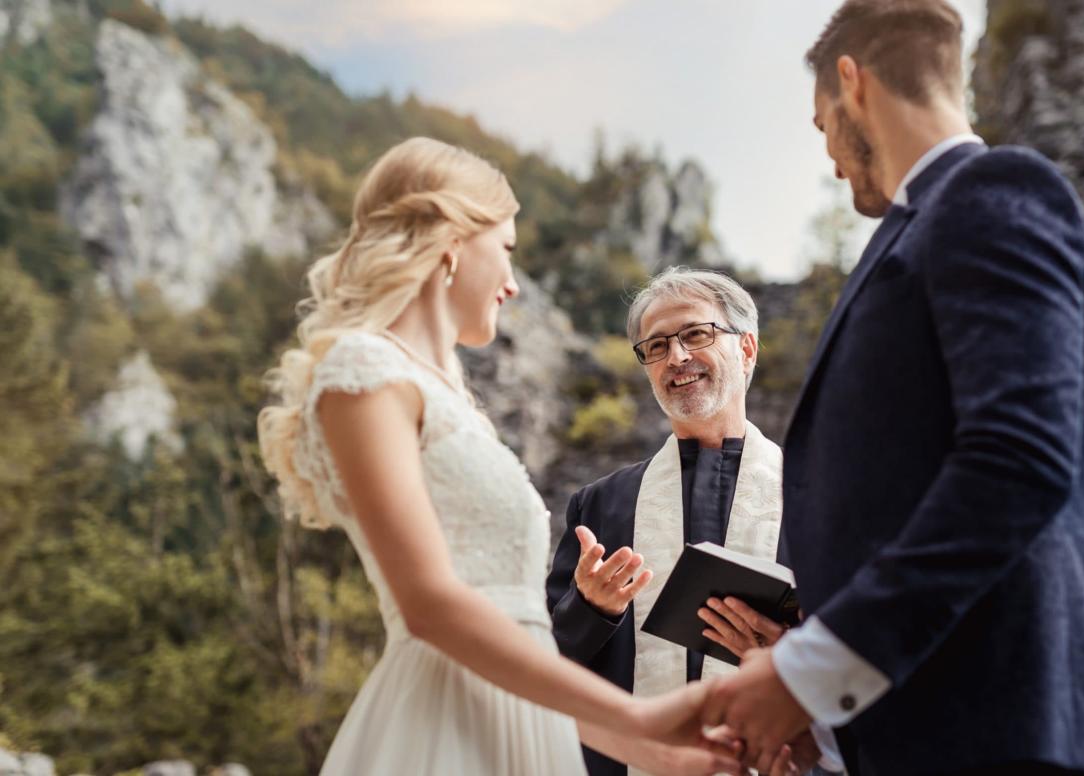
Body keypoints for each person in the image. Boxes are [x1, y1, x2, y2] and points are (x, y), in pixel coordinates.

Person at [701, 2, 1084, 775]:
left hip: (1017, 742)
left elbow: (1018, 461)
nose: (834, 159)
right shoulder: (912, 235)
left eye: (822, 127)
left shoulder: (992, 190)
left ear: (852, 82)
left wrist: (812, 671)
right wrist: (828, 717)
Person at [257, 137, 741, 775]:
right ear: (451, 240)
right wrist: (637, 717)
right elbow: (430, 607)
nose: (513, 284)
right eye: (506, 249)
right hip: (439, 731)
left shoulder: (454, 399)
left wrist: (654, 755)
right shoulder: (362, 370)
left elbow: (519, 637)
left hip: (520, 728)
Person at [547, 267, 816, 776]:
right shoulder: (599, 505)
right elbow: (547, 665)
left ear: (747, 349)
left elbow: (862, 645)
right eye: (655, 346)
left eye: (696, 334)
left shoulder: (820, 495)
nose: (677, 357)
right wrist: (591, 608)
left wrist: (792, 656)